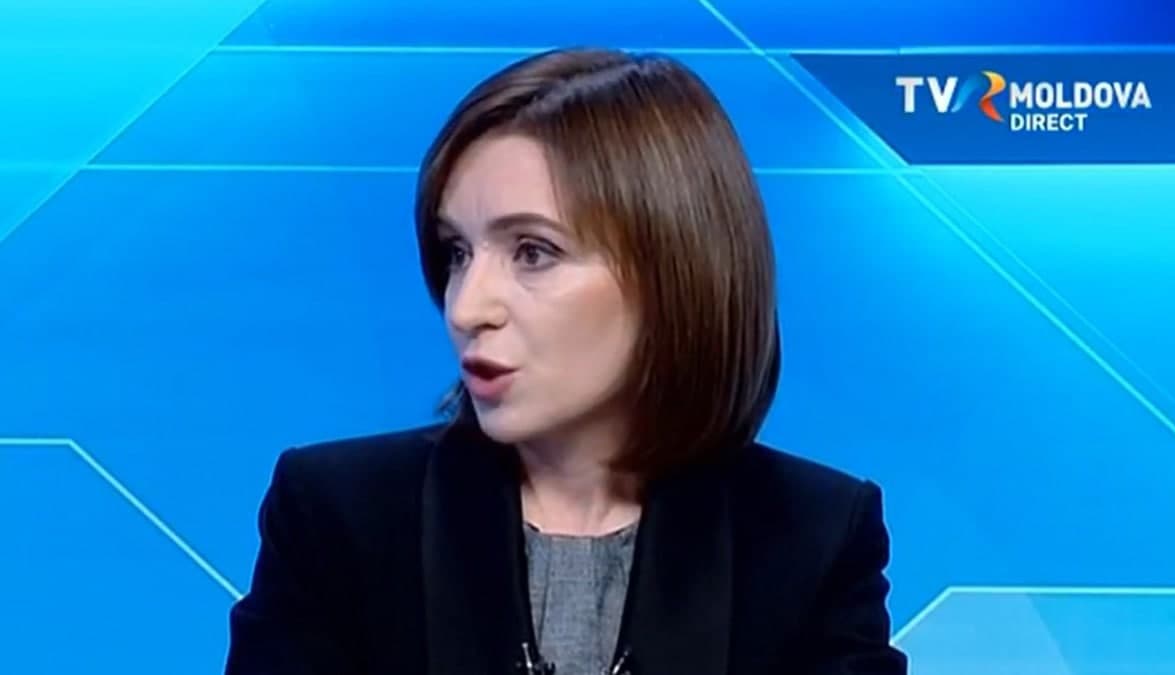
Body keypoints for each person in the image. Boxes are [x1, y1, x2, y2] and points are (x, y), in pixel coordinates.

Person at [225, 47, 907, 675]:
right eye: (457, 252)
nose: (466, 307)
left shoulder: (814, 537)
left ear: (674, 275)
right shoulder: (336, 516)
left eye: (533, 252)